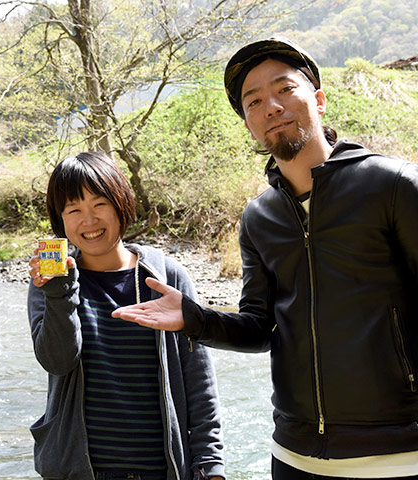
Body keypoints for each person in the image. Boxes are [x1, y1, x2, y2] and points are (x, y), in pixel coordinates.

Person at [112, 37, 418, 479]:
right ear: (248, 125)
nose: (271, 106)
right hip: (293, 454)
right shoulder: (260, 217)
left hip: (398, 454)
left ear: (319, 99)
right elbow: (260, 327)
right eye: (253, 101)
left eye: (285, 89)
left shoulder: (392, 186)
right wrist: (192, 318)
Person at [27, 151, 225, 480]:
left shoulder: (167, 277)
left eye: (99, 204)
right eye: (73, 209)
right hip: (82, 471)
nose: (88, 220)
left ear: (121, 203)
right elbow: (57, 361)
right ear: (60, 220)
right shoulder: (50, 285)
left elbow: (199, 380)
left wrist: (211, 465)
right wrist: (59, 293)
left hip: (163, 470)